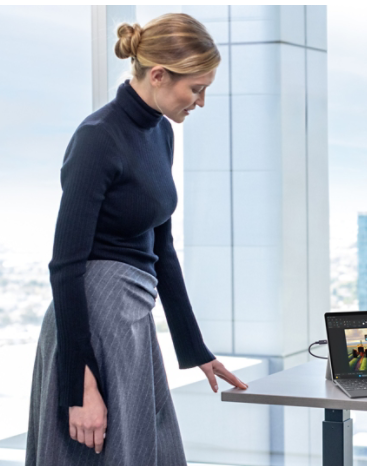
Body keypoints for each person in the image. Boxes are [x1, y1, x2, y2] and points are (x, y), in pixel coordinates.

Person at [26, 13, 248, 466]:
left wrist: (195, 349)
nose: (201, 102)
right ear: (158, 74)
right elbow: (65, 267)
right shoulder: (97, 139)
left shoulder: (161, 133)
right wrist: (79, 387)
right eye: (196, 88)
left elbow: (161, 249)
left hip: (131, 321)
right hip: (91, 326)